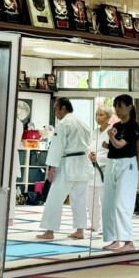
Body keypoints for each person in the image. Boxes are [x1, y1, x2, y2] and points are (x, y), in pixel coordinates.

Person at [35, 99, 92, 241]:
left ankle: (49, 231)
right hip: (83, 163)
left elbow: (57, 147)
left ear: (64, 108)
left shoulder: (63, 124)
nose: (55, 113)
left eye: (56, 109)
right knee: (79, 199)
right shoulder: (83, 123)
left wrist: (51, 168)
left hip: (68, 163)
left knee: (54, 198)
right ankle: (80, 230)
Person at [103, 94, 139, 253]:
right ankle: (115, 239)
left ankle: (128, 241)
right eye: (115, 106)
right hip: (112, 163)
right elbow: (113, 147)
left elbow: (119, 145)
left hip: (127, 165)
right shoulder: (116, 125)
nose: (117, 110)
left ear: (129, 107)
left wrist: (111, 137)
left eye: (120, 106)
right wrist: (107, 143)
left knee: (121, 203)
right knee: (109, 204)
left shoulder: (133, 126)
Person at [87, 105, 111, 236]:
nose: (98, 117)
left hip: (104, 169)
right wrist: (89, 155)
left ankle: (105, 226)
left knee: (104, 200)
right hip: (92, 169)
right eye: (97, 114)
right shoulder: (94, 132)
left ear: (108, 117)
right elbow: (88, 147)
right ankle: (94, 225)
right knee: (90, 199)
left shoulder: (112, 131)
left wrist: (99, 158)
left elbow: (112, 153)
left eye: (101, 115)